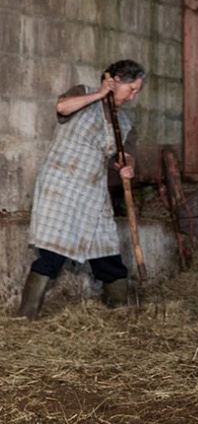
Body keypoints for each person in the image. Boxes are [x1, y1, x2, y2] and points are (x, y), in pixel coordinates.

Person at [18, 59, 147, 320]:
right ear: (115, 80)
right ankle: (26, 317)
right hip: (62, 185)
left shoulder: (125, 122)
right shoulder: (82, 92)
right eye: (131, 89)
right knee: (53, 252)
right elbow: (62, 106)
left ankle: (118, 310)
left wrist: (128, 167)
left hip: (93, 191)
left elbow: (127, 156)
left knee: (106, 251)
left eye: (137, 92)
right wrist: (100, 94)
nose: (133, 97)